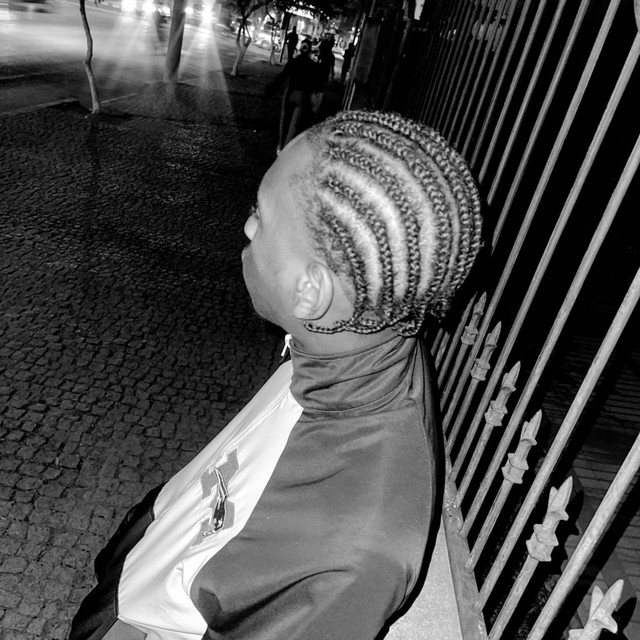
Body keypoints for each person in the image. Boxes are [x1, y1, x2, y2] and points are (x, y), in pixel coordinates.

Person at [69, 110, 483, 640]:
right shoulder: (361, 346)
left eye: (260, 218)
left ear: (309, 291)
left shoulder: (350, 553)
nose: (247, 227)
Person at [266, 39, 323, 153]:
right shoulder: (313, 66)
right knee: (294, 125)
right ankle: (286, 149)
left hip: (290, 94)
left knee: (284, 120)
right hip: (303, 97)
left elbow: (282, 77)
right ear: (309, 51)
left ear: (300, 49)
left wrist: (270, 90)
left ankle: (280, 146)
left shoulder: (293, 62)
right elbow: (317, 84)